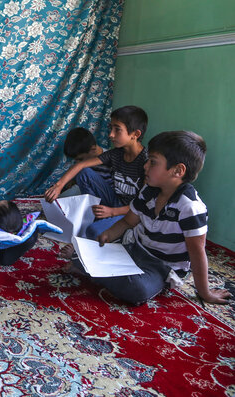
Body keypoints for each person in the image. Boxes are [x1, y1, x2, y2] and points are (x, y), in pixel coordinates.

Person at [88, 131, 230, 305]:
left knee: (137, 290)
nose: (145, 166)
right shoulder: (148, 191)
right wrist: (106, 236)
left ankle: (91, 269)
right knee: (94, 232)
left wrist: (205, 293)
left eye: (152, 162)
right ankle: (93, 266)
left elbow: (197, 254)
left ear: (178, 170)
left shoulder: (190, 207)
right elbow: (127, 222)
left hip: (161, 267)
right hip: (135, 247)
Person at [45, 106, 149, 241]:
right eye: (110, 128)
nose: (111, 134)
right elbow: (81, 165)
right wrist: (58, 186)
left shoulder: (146, 162)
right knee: (84, 172)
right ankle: (94, 214)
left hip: (130, 212)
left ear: (135, 134)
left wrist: (112, 212)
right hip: (114, 201)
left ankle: (118, 229)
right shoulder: (116, 154)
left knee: (93, 231)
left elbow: (143, 205)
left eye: (117, 129)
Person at [59, 127, 110, 197]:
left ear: (93, 149)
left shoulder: (110, 161)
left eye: (80, 159)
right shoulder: (85, 157)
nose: (77, 163)